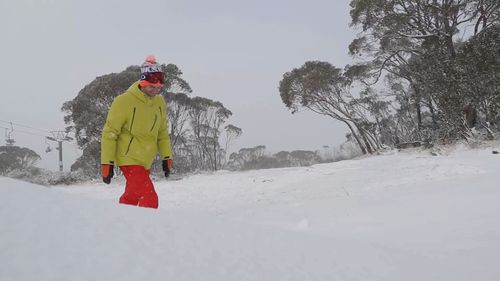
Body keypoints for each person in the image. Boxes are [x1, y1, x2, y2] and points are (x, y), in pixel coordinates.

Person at [100, 55, 173, 209]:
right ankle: (148, 229)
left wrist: (167, 157)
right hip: (128, 158)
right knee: (149, 197)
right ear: (143, 82)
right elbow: (110, 133)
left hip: (145, 159)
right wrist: (107, 162)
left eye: (158, 87)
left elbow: (162, 133)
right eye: (152, 87)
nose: (155, 90)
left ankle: (120, 222)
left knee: (131, 197)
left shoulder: (159, 103)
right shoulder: (123, 101)